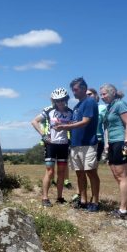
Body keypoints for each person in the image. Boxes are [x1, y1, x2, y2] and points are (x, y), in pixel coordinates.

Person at [55, 77, 100, 212]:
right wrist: (64, 124)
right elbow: (75, 123)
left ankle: (96, 201)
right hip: (75, 144)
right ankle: (83, 200)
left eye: (75, 89)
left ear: (83, 88)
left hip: (88, 144)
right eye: (72, 90)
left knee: (91, 172)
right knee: (80, 174)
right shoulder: (77, 106)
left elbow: (85, 121)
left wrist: (64, 127)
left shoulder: (89, 102)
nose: (73, 93)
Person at [31, 87, 74, 207]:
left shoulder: (70, 112)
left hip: (64, 145)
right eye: (57, 100)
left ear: (66, 99)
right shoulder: (48, 110)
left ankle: (60, 197)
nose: (60, 102)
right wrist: (43, 135)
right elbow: (34, 121)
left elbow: (74, 127)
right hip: (51, 145)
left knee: (61, 173)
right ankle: (45, 198)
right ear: (54, 101)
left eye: (62, 100)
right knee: (50, 172)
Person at [100, 83, 127, 219]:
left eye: (104, 94)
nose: (102, 96)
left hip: (122, 142)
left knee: (122, 175)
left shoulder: (121, 104)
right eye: (101, 94)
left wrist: (126, 142)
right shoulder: (110, 107)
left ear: (113, 92)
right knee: (116, 175)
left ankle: (123, 210)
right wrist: (107, 143)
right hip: (113, 143)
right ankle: (124, 205)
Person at [87, 88, 107, 162]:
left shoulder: (102, 108)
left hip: (98, 140)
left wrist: (107, 143)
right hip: (85, 141)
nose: (87, 96)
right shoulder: (81, 108)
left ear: (95, 95)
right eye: (85, 95)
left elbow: (106, 126)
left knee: (93, 167)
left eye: (89, 94)